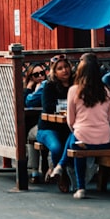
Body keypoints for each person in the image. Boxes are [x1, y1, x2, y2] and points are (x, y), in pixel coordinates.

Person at [62, 52, 110, 199]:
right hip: (105, 140)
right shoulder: (107, 91)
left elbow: (70, 121)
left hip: (82, 138)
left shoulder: (74, 90)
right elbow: (108, 118)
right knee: (77, 139)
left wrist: (77, 129)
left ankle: (80, 187)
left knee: (76, 141)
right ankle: (61, 166)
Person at [36, 55, 73, 187]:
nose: (64, 70)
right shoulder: (49, 86)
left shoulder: (75, 85)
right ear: (54, 72)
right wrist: (66, 106)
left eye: (66, 67)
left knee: (77, 142)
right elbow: (48, 107)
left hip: (69, 127)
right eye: (60, 68)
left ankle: (58, 169)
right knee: (57, 148)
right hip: (48, 127)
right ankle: (62, 175)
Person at [23, 62, 47, 182]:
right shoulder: (33, 89)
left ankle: (35, 171)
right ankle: (35, 170)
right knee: (30, 135)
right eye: (36, 75)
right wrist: (28, 88)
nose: (40, 77)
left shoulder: (44, 87)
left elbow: (29, 102)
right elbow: (24, 103)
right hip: (32, 122)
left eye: (42, 73)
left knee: (32, 136)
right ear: (30, 77)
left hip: (41, 123)